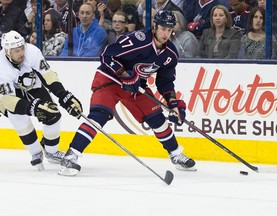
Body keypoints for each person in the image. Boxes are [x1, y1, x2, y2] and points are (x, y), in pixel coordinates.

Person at [58, 10, 196, 176]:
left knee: (157, 118)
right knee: (98, 117)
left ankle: (175, 154)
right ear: (154, 26)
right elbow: (107, 55)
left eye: (169, 29)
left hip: (135, 86)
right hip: (109, 80)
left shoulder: (170, 54)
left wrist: (173, 103)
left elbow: (165, 82)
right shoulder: (139, 40)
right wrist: (124, 74)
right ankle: (71, 156)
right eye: (162, 28)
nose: (166, 33)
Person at [0, 30, 83, 171]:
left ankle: (51, 152)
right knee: (19, 118)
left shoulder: (32, 51)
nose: (21, 53)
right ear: (7, 52)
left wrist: (64, 95)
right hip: (10, 96)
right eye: (16, 51)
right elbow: (8, 100)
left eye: (22, 48)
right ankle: (35, 153)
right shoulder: (1, 66)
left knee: (53, 113)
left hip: (33, 86)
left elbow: (48, 75)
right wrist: (33, 107)